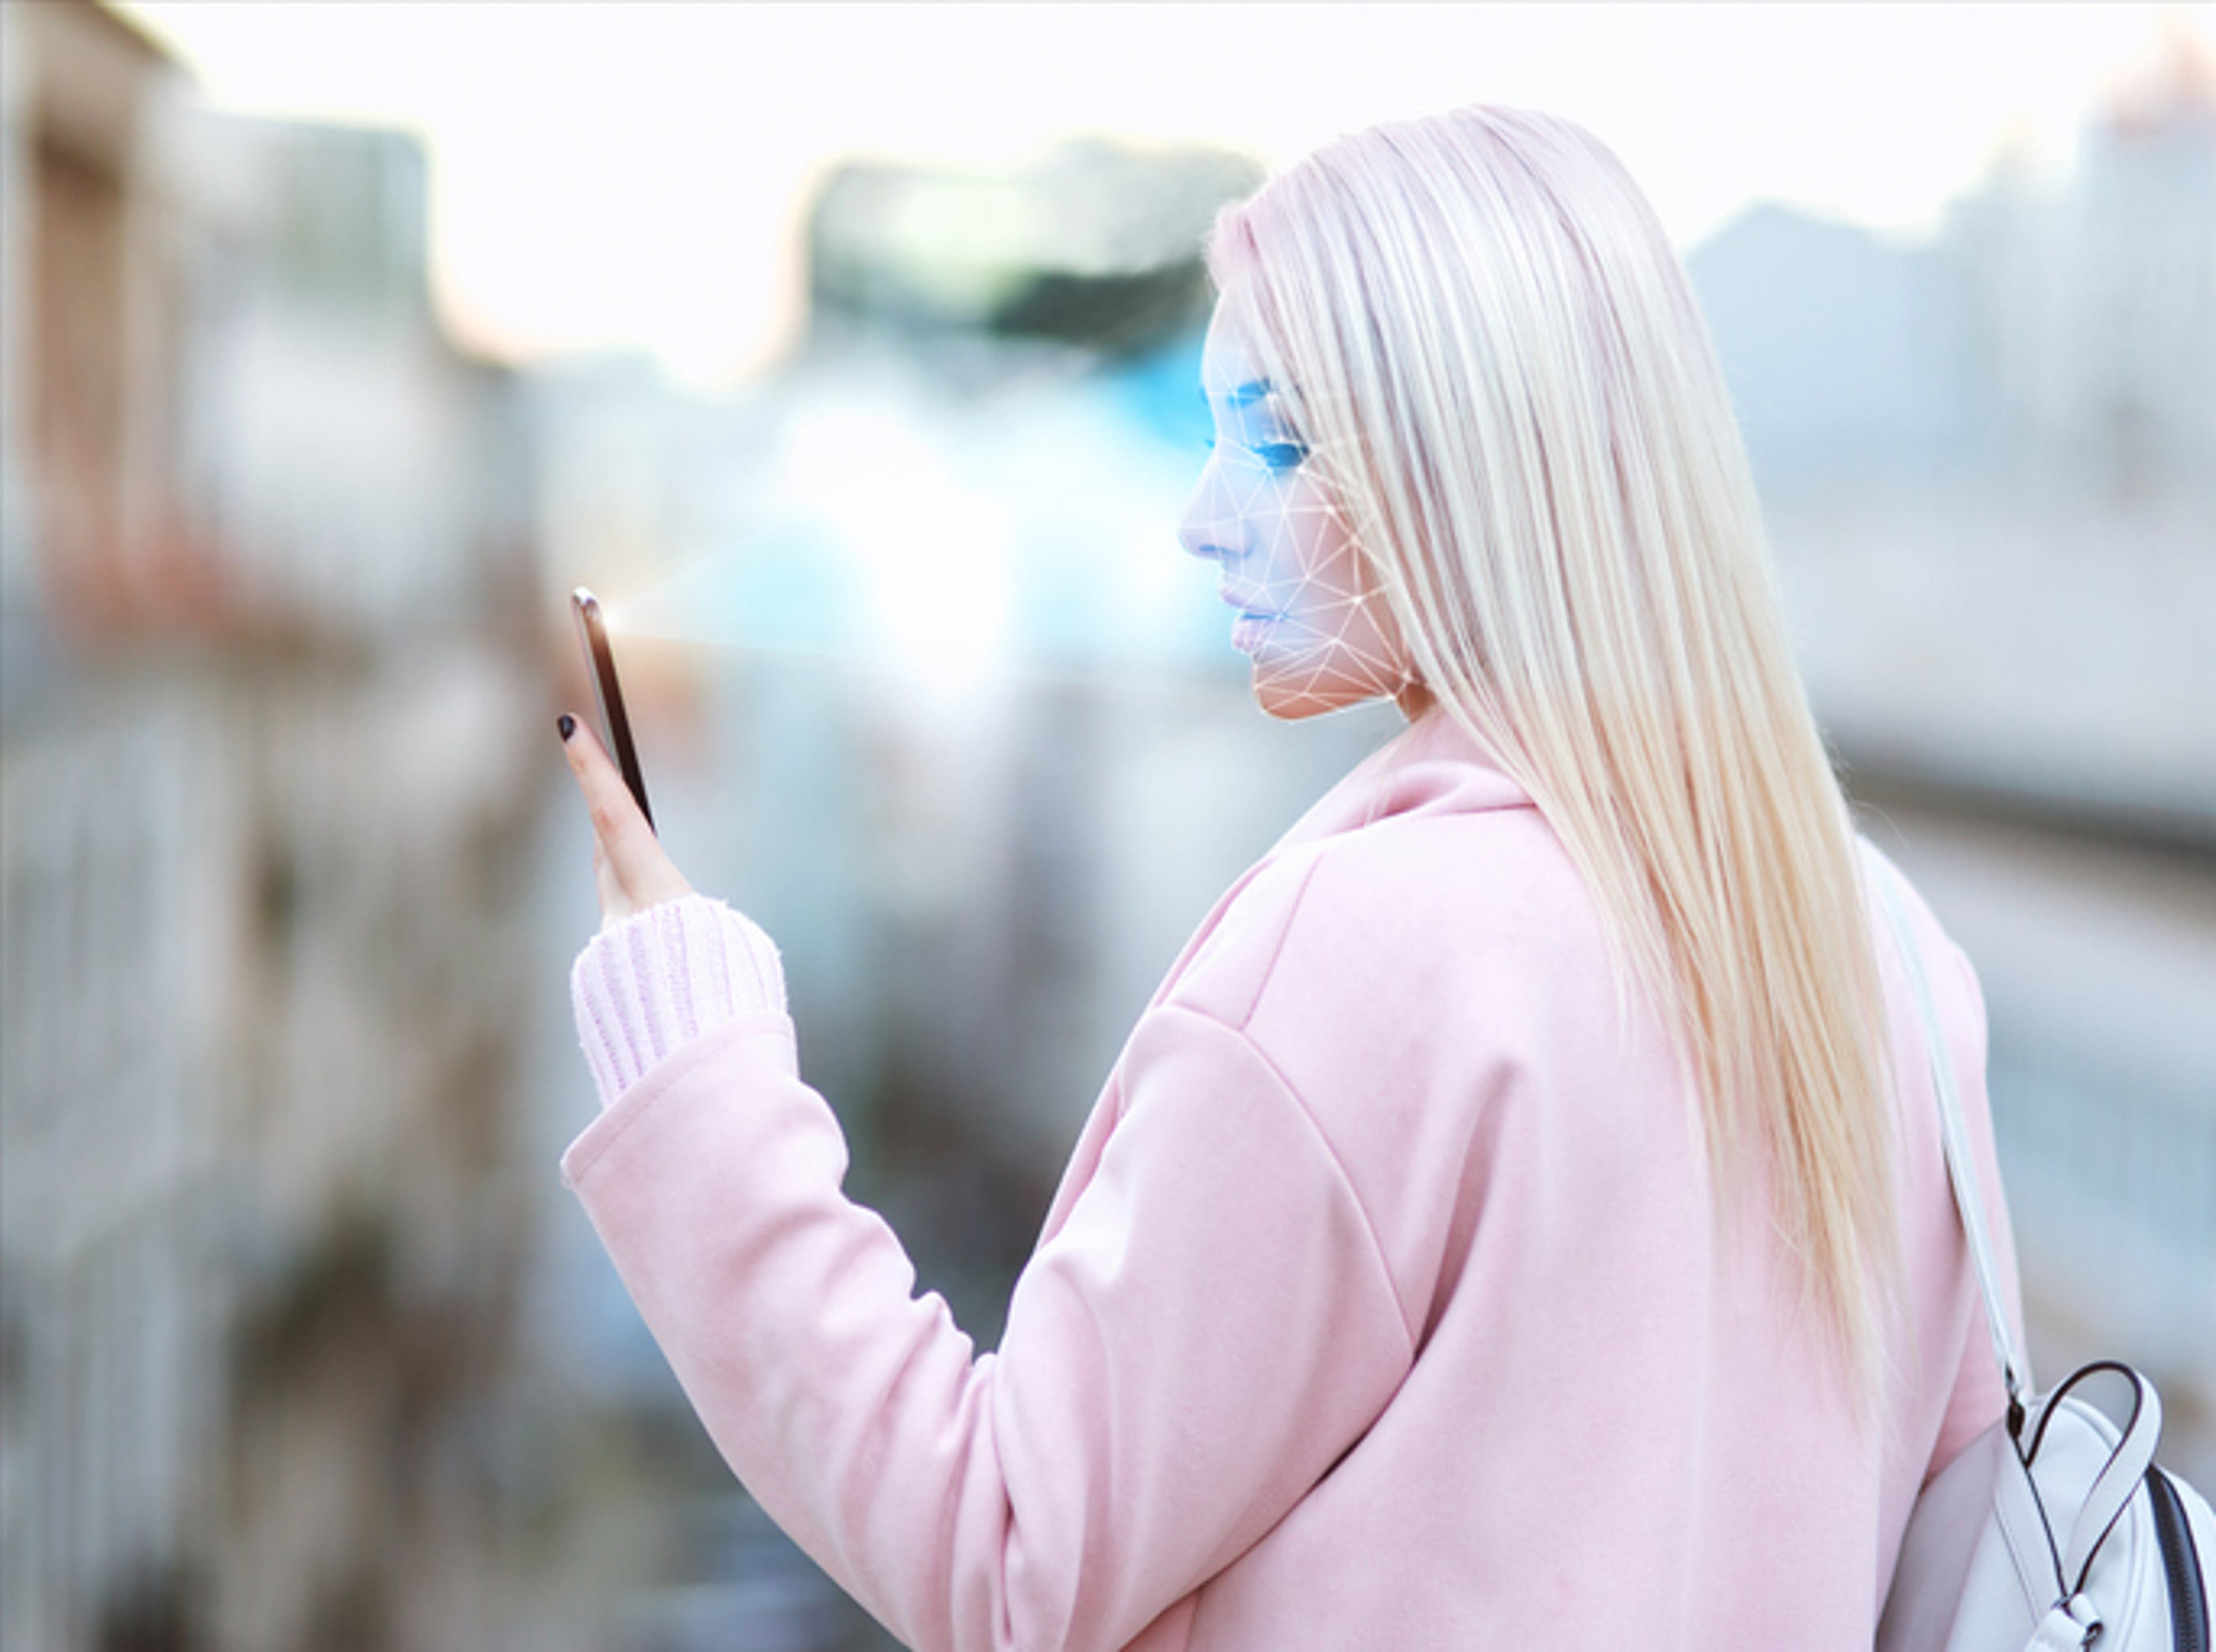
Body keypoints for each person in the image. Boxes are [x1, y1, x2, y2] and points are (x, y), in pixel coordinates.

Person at [554, 103, 2024, 1650]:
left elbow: (1008, 1561)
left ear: (1465, 461)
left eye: (1273, 438)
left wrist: (699, 1074)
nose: (1204, 521)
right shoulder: (1892, 953)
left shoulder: (1372, 948)